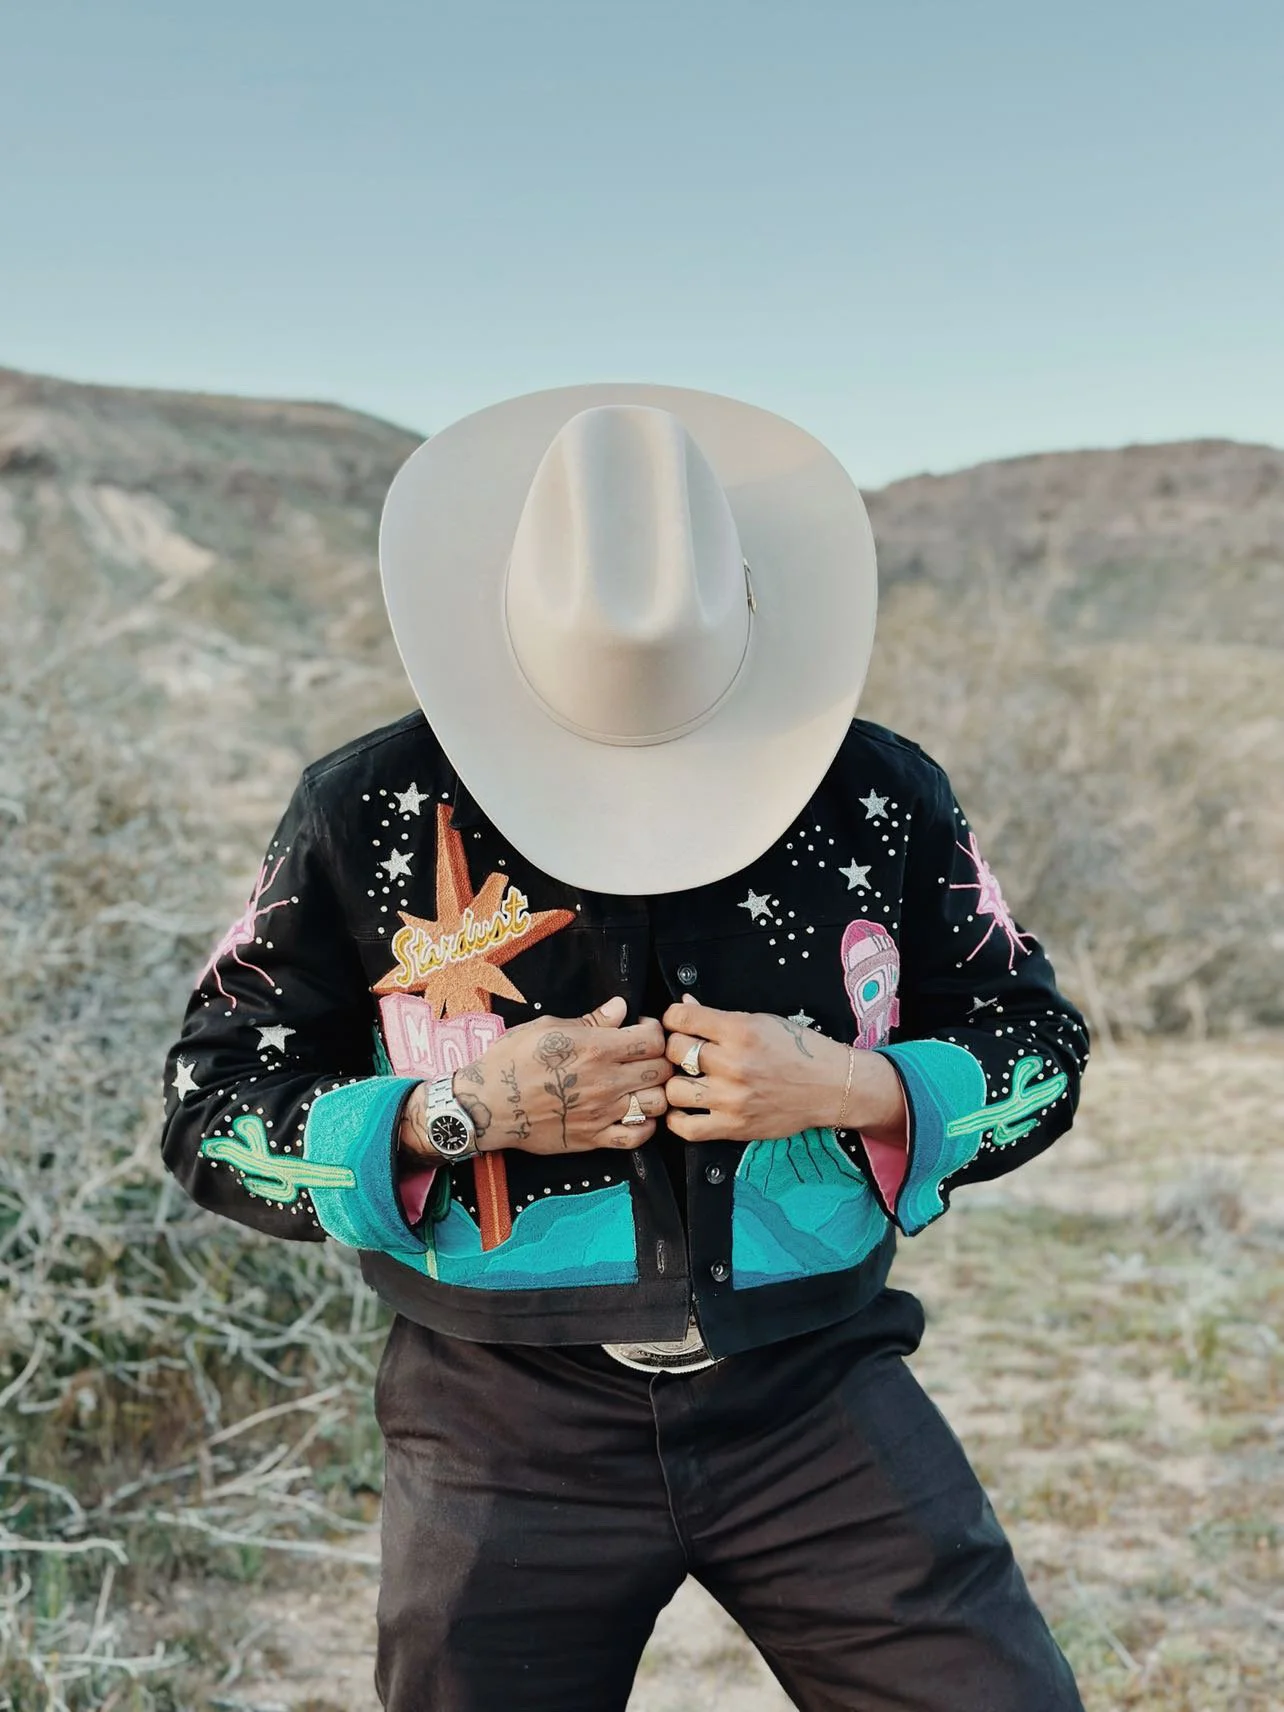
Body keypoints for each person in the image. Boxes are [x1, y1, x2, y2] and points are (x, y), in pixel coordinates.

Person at [161, 385, 1090, 1711]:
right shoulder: (363, 809)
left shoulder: (883, 796)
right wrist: (453, 1116)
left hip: (816, 1389)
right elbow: (209, 1103)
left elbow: (1038, 1046)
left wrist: (851, 1085)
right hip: (493, 1419)